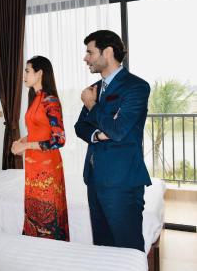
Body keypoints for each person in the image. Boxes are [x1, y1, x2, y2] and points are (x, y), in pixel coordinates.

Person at [74, 30, 151, 252]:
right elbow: (81, 127)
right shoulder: (95, 89)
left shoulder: (136, 87)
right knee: (103, 249)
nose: (85, 58)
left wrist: (92, 107)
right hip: (94, 180)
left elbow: (117, 131)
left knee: (128, 248)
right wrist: (97, 134)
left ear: (107, 52)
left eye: (90, 52)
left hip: (122, 183)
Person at [11, 56, 69, 241]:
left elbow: (59, 139)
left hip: (47, 167)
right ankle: (34, 250)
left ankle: (52, 254)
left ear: (40, 73)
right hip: (33, 165)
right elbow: (37, 132)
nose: (24, 75)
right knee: (35, 211)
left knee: (48, 213)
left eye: (27, 71)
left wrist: (26, 145)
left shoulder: (49, 100)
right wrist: (19, 141)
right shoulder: (35, 98)